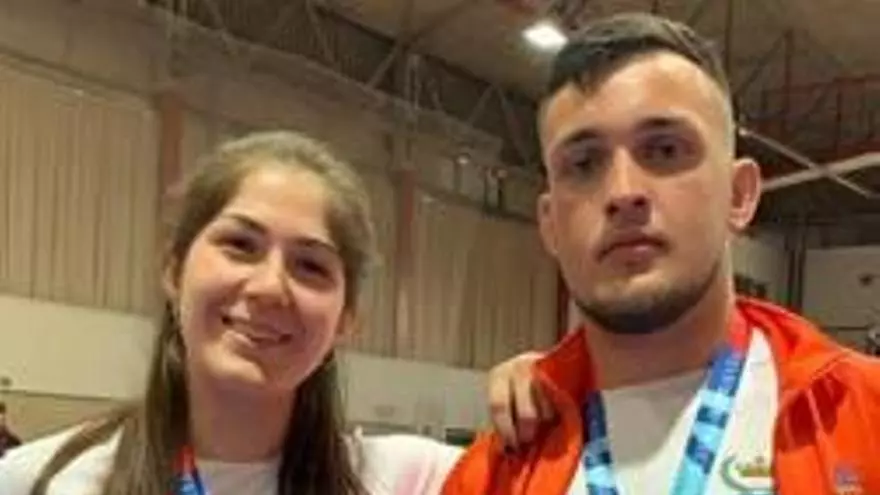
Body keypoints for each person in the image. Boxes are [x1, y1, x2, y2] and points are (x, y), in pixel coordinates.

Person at [443, 12, 880, 495]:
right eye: (584, 163)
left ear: (739, 195)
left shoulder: (865, 418)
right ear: (550, 225)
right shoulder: (491, 477)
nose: (623, 191)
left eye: (665, 150)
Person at [0, 131, 474, 495]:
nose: (270, 287)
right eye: (240, 245)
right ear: (174, 270)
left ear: (346, 320)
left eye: (311, 266)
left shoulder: (413, 480)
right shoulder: (41, 480)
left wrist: (520, 387)